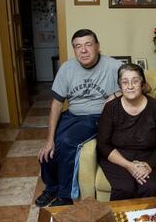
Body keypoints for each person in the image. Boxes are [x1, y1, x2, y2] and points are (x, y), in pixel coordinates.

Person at [36, 29, 122, 207]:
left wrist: (117, 94)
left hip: (97, 116)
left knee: (67, 141)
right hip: (72, 115)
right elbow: (57, 104)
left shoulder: (114, 66)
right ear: (74, 50)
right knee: (49, 147)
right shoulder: (67, 68)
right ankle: (51, 187)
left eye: (88, 45)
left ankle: (65, 195)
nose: (83, 50)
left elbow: (144, 84)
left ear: (97, 47)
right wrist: (49, 139)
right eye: (78, 46)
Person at [97, 63, 156, 201]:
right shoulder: (111, 108)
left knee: (151, 187)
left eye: (135, 81)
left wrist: (149, 165)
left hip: (147, 158)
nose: (130, 86)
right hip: (117, 158)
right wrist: (129, 166)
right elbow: (102, 144)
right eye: (125, 82)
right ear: (120, 86)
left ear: (142, 84)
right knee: (125, 187)